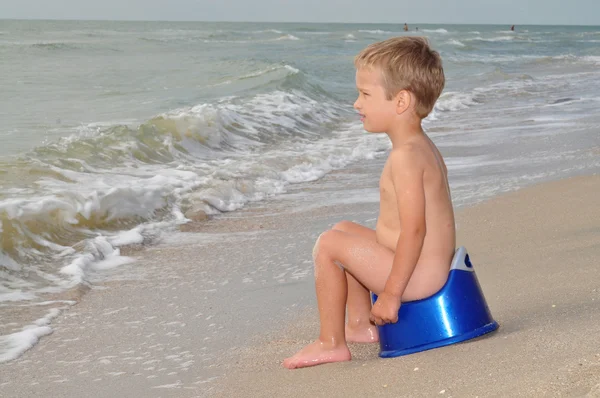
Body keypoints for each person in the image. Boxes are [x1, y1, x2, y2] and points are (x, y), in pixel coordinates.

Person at [283, 37, 456, 369]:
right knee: (344, 230)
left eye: (365, 94)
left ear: (401, 101)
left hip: (419, 277)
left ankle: (331, 343)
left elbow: (415, 231)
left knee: (329, 245)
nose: (356, 104)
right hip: (421, 266)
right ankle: (360, 324)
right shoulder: (419, 146)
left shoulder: (406, 157)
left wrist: (391, 296)